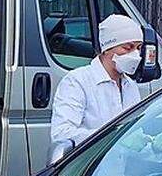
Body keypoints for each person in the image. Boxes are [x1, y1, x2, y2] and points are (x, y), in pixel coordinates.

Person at [50, 14, 145, 148]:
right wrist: (114, 137)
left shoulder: (130, 86)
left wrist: (152, 145)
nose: (135, 54)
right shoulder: (77, 82)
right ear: (107, 48)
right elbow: (61, 134)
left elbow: (133, 135)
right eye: (127, 48)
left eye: (138, 48)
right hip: (91, 167)